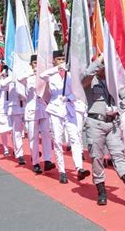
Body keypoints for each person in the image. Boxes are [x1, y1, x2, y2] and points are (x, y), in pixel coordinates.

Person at [82, 55, 125, 206]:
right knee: (97, 158)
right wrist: (100, 58)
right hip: (95, 123)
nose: (103, 67)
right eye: (101, 64)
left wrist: (118, 109)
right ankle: (101, 191)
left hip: (112, 124)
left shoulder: (114, 83)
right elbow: (86, 74)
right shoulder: (89, 82)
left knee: (118, 155)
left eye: (105, 64)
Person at [40, 50, 90, 184]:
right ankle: (62, 170)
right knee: (57, 140)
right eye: (59, 59)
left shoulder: (70, 75)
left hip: (69, 108)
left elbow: (78, 91)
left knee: (75, 138)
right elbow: (42, 75)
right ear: (54, 61)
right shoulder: (52, 74)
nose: (62, 61)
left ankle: (79, 168)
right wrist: (57, 69)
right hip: (56, 110)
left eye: (63, 59)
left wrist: (68, 97)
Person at [18, 55, 55, 174]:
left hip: (43, 108)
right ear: (31, 64)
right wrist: (31, 73)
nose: (36, 65)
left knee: (46, 134)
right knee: (33, 137)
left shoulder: (44, 76)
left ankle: (48, 160)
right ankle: (35, 162)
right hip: (31, 110)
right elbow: (19, 79)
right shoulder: (28, 77)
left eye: (38, 63)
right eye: (34, 63)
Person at [0, 67, 27, 165]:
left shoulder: (25, 78)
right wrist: (12, 77)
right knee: (17, 133)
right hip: (15, 109)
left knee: (31, 132)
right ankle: (20, 155)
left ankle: (34, 152)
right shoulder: (10, 81)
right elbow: (2, 85)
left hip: (26, 108)